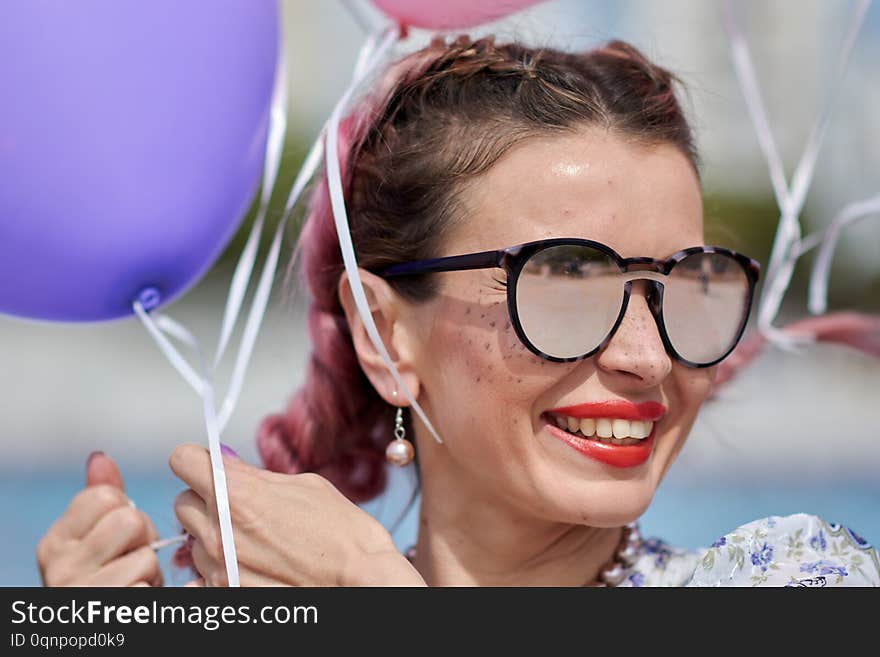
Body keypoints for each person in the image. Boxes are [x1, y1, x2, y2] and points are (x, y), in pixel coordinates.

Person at [36, 35, 879, 587]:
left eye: (687, 284)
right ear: (382, 333)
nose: (648, 357)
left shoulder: (800, 576)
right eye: (568, 278)